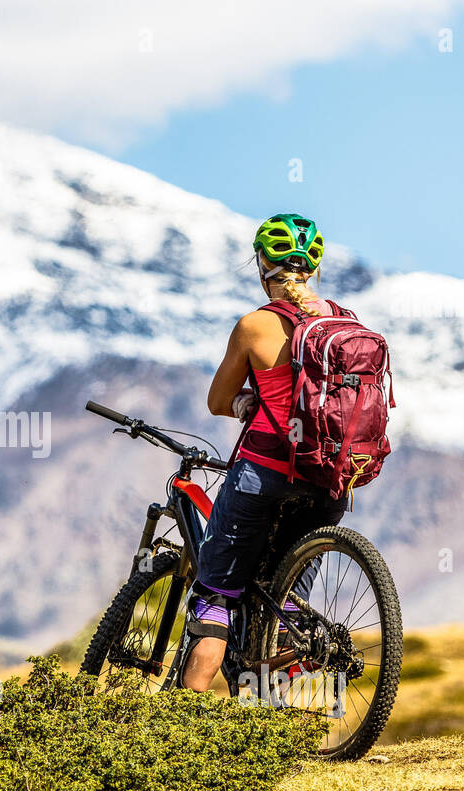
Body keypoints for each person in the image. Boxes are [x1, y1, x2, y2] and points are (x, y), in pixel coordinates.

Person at [181, 213, 346, 692]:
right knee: (287, 600)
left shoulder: (255, 326)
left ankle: (174, 733)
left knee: (216, 596)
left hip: (263, 475)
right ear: (312, 269)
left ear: (261, 264)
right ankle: (273, 713)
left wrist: (242, 402)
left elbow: (216, 401)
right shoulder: (342, 322)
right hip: (328, 483)